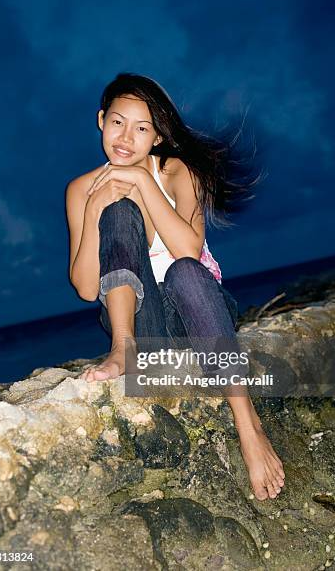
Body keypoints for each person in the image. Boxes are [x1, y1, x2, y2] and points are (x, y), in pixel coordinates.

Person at [65, 73, 285, 501]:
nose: (126, 137)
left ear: (158, 134)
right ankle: (123, 350)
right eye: (117, 122)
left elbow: (189, 250)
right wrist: (96, 205)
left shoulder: (179, 172)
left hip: (201, 313)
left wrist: (144, 183)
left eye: (142, 128)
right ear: (100, 120)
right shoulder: (80, 189)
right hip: (145, 327)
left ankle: (247, 423)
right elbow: (87, 288)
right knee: (117, 212)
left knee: (183, 272)